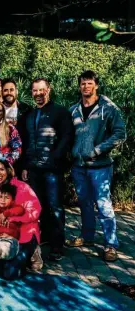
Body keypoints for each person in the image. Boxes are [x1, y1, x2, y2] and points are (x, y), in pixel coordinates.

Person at [66, 70, 126, 262]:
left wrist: (98, 150)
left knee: (103, 205)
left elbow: (120, 133)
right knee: (84, 203)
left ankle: (110, 244)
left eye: (90, 83)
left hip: (100, 166)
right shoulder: (73, 110)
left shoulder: (107, 108)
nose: (86, 87)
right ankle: (87, 236)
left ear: (96, 85)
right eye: (83, 83)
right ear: (79, 86)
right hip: (79, 166)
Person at [20, 78, 74, 261]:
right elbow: (26, 142)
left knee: (55, 207)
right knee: (38, 207)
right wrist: (25, 166)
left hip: (52, 169)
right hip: (33, 169)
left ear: (49, 90)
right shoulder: (29, 114)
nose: (38, 94)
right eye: (35, 91)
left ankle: (57, 245)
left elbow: (66, 137)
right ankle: (43, 238)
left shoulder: (60, 112)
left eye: (42, 90)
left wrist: (55, 158)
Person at [0, 158, 42, 278]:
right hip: (1, 233)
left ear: (8, 171)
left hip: (23, 233)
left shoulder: (22, 187)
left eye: (1, 169)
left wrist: (12, 219)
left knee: (10, 273)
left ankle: (33, 250)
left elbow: (35, 210)